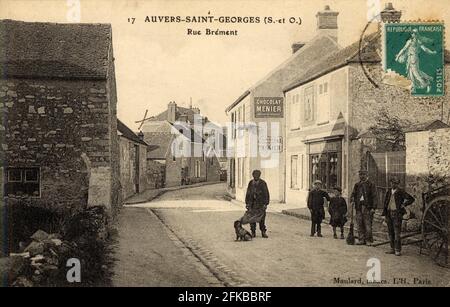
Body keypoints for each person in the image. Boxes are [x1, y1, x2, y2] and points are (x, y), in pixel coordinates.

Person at [382, 177, 415, 256]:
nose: (393, 184)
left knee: (397, 233)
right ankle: (392, 248)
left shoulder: (401, 192)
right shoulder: (389, 191)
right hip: (389, 213)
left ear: (397, 184)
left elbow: (411, 199)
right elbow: (385, 203)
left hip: (397, 214)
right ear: (390, 183)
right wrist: (385, 213)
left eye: (395, 183)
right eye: (392, 183)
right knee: (390, 232)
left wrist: (404, 204)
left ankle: (397, 250)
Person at [350, 169, 377, 246]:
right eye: (360, 175)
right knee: (359, 224)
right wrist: (352, 199)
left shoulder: (371, 185)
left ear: (367, 175)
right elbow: (353, 194)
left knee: (368, 224)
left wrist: (373, 208)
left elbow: (374, 197)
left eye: (363, 175)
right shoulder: (357, 185)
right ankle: (361, 239)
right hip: (358, 207)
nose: (362, 176)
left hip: (367, 207)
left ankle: (368, 240)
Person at [241, 170, 270, 238]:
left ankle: (263, 232)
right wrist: (247, 203)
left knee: (262, 219)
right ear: (253, 175)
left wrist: (265, 204)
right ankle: (253, 232)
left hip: (260, 204)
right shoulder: (251, 183)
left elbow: (266, 194)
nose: (255, 176)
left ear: (259, 175)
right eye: (254, 175)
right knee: (252, 219)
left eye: (257, 175)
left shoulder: (263, 183)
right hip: (252, 204)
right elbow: (248, 193)